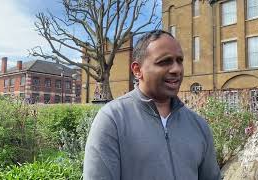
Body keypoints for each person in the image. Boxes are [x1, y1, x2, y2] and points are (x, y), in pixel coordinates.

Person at [83, 30, 221, 180]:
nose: (176, 69)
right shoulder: (112, 120)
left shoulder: (198, 125)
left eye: (179, 60)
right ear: (137, 70)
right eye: (164, 62)